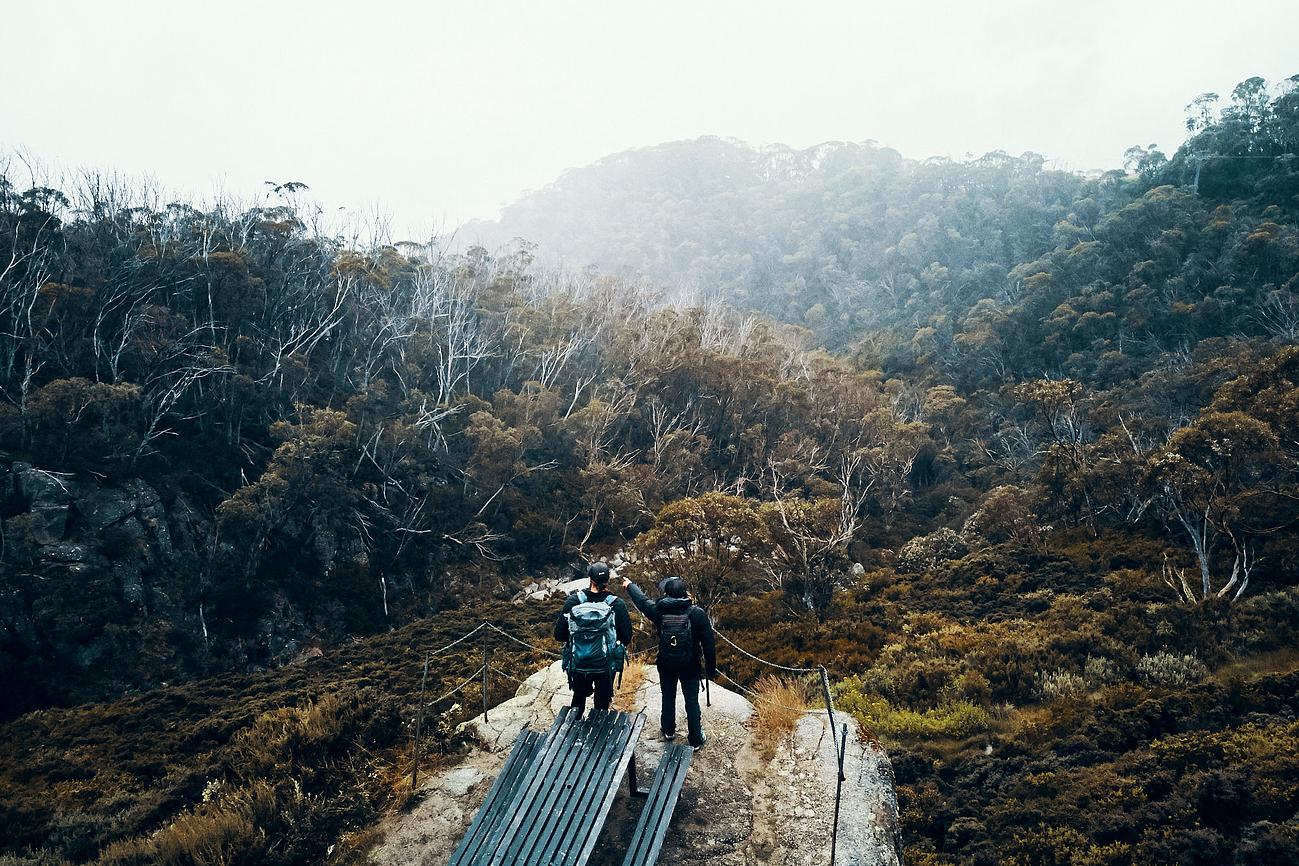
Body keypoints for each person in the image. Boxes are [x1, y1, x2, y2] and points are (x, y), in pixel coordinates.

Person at [623, 574, 717, 751]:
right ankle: (696, 738)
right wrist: (710, 670)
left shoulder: (659, 611)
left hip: (666, 663)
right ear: (685, 593)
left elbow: (642, 601)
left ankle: (668, 730)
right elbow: (709, 644)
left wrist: (629, 585)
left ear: (666, 594)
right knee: (691, 701)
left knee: (668, 696)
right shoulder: (697, 614)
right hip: (690, 665)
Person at [554, 562, 632, 714]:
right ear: (607, 581)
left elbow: (559, 635)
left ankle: (573, 723)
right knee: (602, 701)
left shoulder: (574, 601)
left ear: (590, 579)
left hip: (579, 662)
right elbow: (627, 637)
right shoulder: (617, 604)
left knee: (578, 697)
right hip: (606, 665)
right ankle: (599, 724)